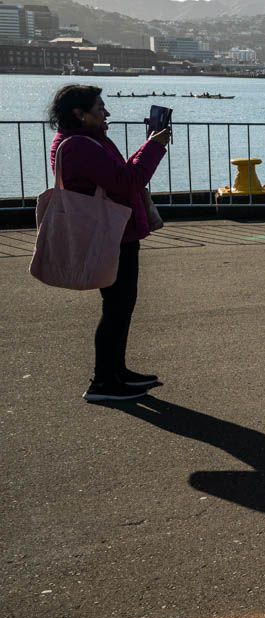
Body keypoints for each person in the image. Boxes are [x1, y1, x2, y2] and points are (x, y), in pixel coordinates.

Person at [47, 85, 172, 403]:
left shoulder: (86, 141)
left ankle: (117, 371)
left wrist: (147, 146)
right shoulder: (78, 146)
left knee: (121, 306)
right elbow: (126, 181)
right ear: (79, 113)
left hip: (117, 231)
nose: (107, 112)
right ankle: (103, 381)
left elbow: (118, 175)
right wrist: (154, 148)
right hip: (111, 233)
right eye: (100, 107)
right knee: (116, 306)